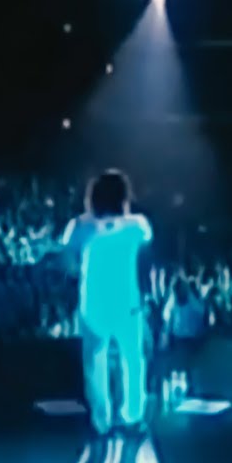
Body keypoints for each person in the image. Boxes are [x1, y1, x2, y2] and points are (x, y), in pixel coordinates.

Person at [58, 169, 154, 438]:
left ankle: (101, 421)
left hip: (93, 304)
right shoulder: (137, 225)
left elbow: (68, 263)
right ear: (124, 196)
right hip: (127, 302)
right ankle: (132, 417)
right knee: (132, 361)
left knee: (95, 363)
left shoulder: (79, 226)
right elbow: (146, 247)